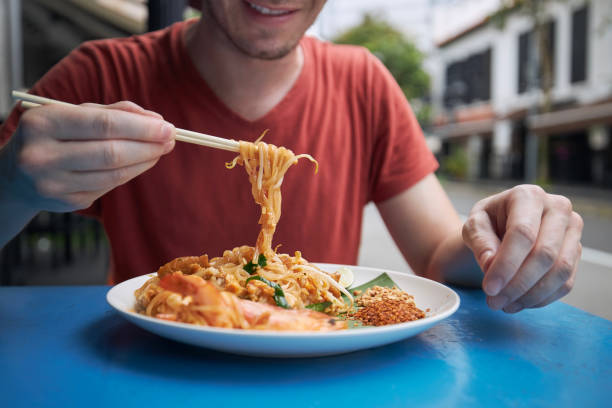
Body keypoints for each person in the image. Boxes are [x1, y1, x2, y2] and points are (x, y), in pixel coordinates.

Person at [0, 0, 582, 314]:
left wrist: (496, 235)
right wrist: (12, 188)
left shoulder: (364, 82)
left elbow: (436, 256)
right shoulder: (100, 76)